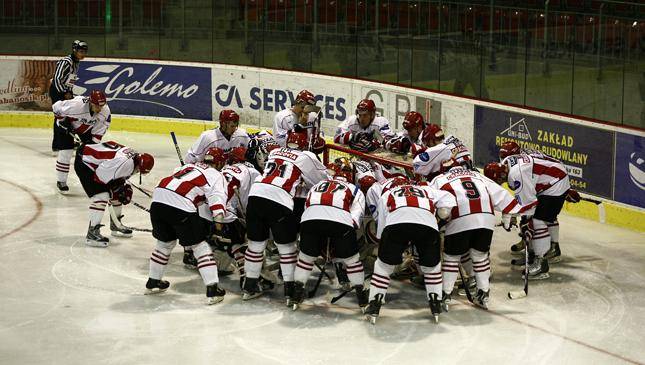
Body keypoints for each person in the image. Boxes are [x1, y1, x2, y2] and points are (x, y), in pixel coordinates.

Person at [242, 131, 328, 305]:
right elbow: (320, 182)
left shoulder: (275, 152)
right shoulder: (305, 156)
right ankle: (290, 291)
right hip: (280, 200)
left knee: (255, 245)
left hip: (256, 194)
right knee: (286, 247)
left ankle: (250, 286)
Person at [430, 159, 522, 310]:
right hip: (486, 218)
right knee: (480, 256)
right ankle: (483, 293)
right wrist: (508, 215)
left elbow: (440, 207)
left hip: (460, 219)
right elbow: (502, 195)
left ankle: (445, 296)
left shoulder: (439, 179)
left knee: (452, 258)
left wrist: (438, 222)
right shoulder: (477, 175)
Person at [364, 179, 456, 324]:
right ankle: (435, 302)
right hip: (427, 226)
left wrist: (385, 241)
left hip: (396, 225)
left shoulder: (387, 193)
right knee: (432, 267)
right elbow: (449, 197)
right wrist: (443, 212)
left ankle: (375, 304)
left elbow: (382, 220)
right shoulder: (427, 190)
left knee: (383, 266)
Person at [145, 148, 229, 304]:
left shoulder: (186, 167)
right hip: (180, 205)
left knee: (164, 244)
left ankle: (153, 281)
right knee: (200, 246)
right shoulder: (217, 175)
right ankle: (212, 290)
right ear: (220, 163)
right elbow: (217, 199)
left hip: (158, 201)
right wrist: (219, 226)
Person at [290, 158, 367, 311]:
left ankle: (296, 294)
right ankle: (362, 298)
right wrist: (343, 238)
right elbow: (356, 219)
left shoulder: (317, 185)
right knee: (352, 260)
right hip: (340, 222)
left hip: (310, 220)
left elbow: (308, 208)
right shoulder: (355, 189)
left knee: (305, 258)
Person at [484, 152, 571, 280]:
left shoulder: (516, 175)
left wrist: (527, 221)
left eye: (500, 181)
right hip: (552, 177)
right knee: (527, 221)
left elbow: (529, 204)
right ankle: (531, 254)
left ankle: (541, 264)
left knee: (537, 221)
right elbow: (523, 199)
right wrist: (520, 217)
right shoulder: (507, 163)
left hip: (555, 184)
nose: (502, 183)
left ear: (502, 174)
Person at [498, 140, 580, 262]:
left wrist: (562, 187)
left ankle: (548, 250)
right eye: (502, 157)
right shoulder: (517, 161)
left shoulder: (518, 169)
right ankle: (531, 247)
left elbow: (527, 201)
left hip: (553, 182)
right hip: (549, 180)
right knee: (534, 215)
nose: (503, 159)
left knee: (540, 218)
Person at [74, 141, 154, 246]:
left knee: (117, 193)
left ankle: (116, 224)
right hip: (85, 162)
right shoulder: (125, 163)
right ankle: (92, 233)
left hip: (97, 161)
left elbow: (113, 172)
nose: (137, 171)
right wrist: (117, 188)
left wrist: (119, 188)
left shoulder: (134, 159)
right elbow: (100, 178)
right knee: (101, 196)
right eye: (139, 170)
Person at [52, 90, 111, 193]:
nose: (99, 109)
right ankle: (61, 181)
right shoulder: (76, 105)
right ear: (91, 102)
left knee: (91, 154)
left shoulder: (105, 111)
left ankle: (94, 180)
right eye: (97, 106)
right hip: (67, 125)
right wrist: (62, 121)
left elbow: (98, 131)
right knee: (66, 152)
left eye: (101, 106)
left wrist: (92, 144)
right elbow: (56, 107)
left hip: (86, 130)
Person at [219, 146, 262, 288]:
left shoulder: (224, 168)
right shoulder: (252, 171)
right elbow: (248, 202)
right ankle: (246, 276)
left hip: (208, 208)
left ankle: (213, 260)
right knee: (241, 239)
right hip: (227, 212)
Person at [185, 110, 250, 164]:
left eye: (236, 126)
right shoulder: (208, 137)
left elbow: (251, 151)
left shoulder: (241, 135)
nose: (234, 129)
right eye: (232, 126)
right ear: (223, 124)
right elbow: (192, 158)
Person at [49, 40, 86, 104]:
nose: (83, 54)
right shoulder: (66, 61)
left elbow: (71, 78)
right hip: (57, 90)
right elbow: (57, 79)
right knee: (60, 112)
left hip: (65, 91)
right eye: (81, 52)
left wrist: (69, 91)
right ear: (74, 50)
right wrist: (64, 92)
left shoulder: (76, 62)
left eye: (85, 52)